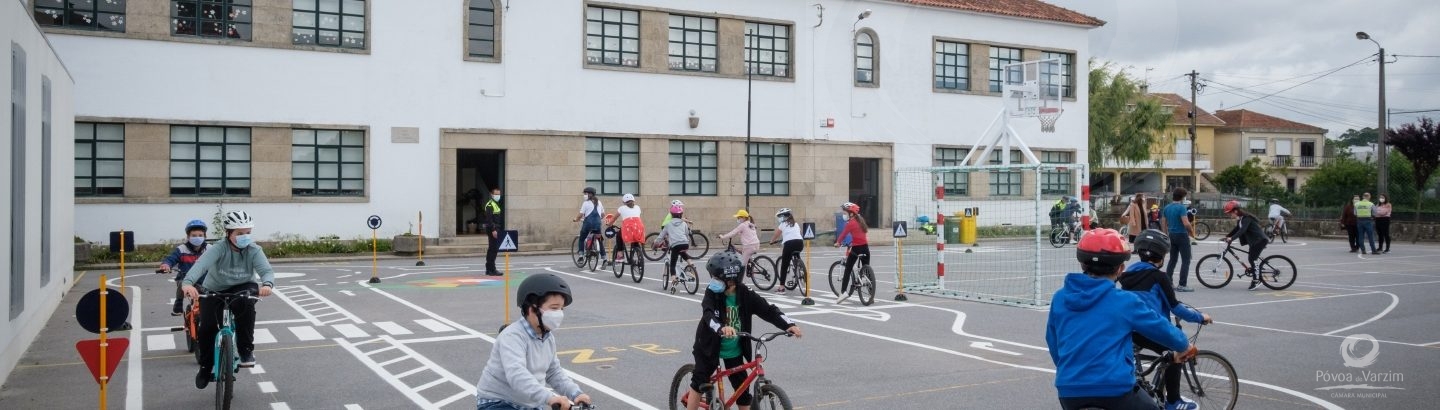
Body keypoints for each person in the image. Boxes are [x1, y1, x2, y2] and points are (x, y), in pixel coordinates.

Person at [1046, 228, 1195, 410]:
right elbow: (1160, 328)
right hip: (1115, 389)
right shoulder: (1124, 301)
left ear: (1083, 265)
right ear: (1120, 268)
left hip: (1069, 391)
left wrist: (1072, 369)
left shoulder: (1060, 298)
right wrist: (1184, 346)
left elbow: (1053, 342)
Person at [685, 251, 803, 410]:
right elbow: (708, 315)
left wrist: (789, 325)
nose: (713, 281)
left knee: (742, 389)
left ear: (731, 279)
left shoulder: (745, 294)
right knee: (700, 380)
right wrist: (721, 327)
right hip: (709, 345)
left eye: (717, 278)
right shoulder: (712, 293)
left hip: (733, 348)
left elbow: (768, 310)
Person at [1120, 229, 1214, 410]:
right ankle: (1174, 401)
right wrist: (1200, 317)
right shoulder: (1160, 276)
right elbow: (1175, 307)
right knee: (1177, 350)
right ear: (1161, 256)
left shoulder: (1127, 274)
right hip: (1150, 329)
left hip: (1130, 330)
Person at [181, 210, 275, 389]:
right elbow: (200, 266)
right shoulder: (218, 248)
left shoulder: (254, 250)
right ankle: (205, 366)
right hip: (214, 289)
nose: (245, 237)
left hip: (243, 286)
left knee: (246, 307)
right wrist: (188, 283)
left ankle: (246, 351)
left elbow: (266, 271)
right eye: (239, 233)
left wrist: (267, 284)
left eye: (247, 233)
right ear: (228, 233)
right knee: (207, 327)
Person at [473, 274, 592, 410]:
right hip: (498, 402)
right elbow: (517, 375)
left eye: (561, 308)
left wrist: (576, 394)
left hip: (529, 403)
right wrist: (549, 397)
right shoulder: (513, 336)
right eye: (554, 308)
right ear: (532, 309)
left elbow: (553, 372)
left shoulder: (547, 337)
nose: (559, 313)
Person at [160, 219, 211, 316]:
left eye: (200, 235)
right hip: (186, 278)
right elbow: (171, 259)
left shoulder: (210, 249)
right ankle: (178, 302)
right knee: (182, 283)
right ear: (188, 237)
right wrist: (166, 265)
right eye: (194, 235)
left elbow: (220, 259)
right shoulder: (181, 249)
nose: (197, 238)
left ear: (205, 236)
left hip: (205, 281)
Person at [1222, 200, 1270, 290]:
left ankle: (1256, 280)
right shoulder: (1241, 219)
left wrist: (1232, 239)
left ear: (1235, 211)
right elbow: (1237, 229)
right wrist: (1227, 236)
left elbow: (1242, 230)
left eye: (1230, 213)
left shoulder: (1246, 218)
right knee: (1252, 258)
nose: (1229, 215)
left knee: (1252, 259)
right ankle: (1257, 275)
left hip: (1259, 240)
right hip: (1255, 241)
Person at [1159, 188, 1196, 292]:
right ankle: (1182, 284)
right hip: (1182, 235)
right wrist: (1191, 232)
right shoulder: (1181, 208)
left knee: (1172, 259)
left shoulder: (1167, 207)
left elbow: (1163, 223)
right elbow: (1186, 223)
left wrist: (1165, 234)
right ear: (1183, 197)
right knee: (1186, 260)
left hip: (1171, 235)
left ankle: (1169, 282)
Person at [834, 202, 870, 304]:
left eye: (845, 212)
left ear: (851, 214)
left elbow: (843, 234)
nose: (844, 214)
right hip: (866, 248)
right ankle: (871, 294)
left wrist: (838, 243)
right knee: (866, 271)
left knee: (848, 269)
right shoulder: (861, 221)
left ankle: (843, 292)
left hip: (856, 249)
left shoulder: (851, 223)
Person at [767, 208, 803, 294]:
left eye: (780, 216)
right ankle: (799, 268)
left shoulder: (783, 224)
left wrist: (771, 241)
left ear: (784, 217)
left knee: (784, 265)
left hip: (789, 244)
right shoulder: (796, 224)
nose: (779, 218)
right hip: (800, 243)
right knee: (796, 253)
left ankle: (781, 288)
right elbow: (797, 233)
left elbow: (777, 234)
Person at [572, 187, 607, 269]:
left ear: (590, 194)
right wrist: (599, 220)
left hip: (588, 224)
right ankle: (605, 259)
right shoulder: (599, 202)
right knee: (600, 241)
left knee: (581, 238)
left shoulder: (586, 203)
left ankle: (581, 257)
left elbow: (581, 214)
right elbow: (603, 215)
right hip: (597, 225)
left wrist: (576, 219)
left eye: (585, 193)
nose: (584, 195)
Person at [718, 210, 759, 275]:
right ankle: (751, 262)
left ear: (744, 218)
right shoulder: (751, 224)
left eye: (739, 218)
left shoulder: (742, 225)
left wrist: (723, 237)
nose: (738, 219)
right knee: (744, 252)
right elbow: (747, 233)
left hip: (749, 247)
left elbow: (733, 232)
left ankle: (741, 282)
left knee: (742, 266)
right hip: (756, 245)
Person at [661, 203, 695, 279]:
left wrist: (655, 244)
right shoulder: (684, 223)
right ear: (681, 214)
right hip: (685, 244)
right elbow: (686, 234)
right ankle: (691, 264)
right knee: (682, 252)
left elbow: (661, 236)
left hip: (675, 245)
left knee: (672, 264)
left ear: (672, 215)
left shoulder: (668, 224)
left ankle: (674, 279)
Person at [614, 193, 644, 263]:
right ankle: (639, 254)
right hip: (639, 227)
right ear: (634, 200)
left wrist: (609, 224)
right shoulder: (638, 207)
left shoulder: (621, 208)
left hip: (628, 227)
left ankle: (620, 254)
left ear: (624, 202)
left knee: (619, 235)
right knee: (635, 239)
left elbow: (614, 218)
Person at [483, 187, 504, 276]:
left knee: (492, 249)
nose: (498, 196)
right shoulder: (490, 205)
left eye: (499, 194)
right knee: (493, 249)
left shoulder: (496, 204)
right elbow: (489, 219)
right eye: (496, 194)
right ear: (492, 195)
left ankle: (489, 269)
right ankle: (492, 269)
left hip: (495, 228)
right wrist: (493, 230)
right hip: (493, 229)